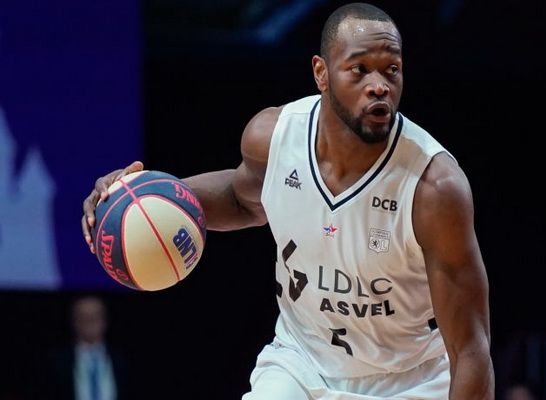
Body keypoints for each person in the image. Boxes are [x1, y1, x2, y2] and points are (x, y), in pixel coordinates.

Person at [81, 2, 493, 398]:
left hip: (406, 380)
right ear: (321, 73)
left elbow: (471, 351)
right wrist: (136, 198)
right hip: (301, 364)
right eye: (359, 69)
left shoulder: (434, 188)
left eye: (392, 70)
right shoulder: (274, 138)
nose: (379, 85)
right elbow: (241, 200)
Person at [42, 295, 129, 400]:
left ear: (105, 320)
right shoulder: (57, 362)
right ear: (74, 321)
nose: (90, 322)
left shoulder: (122, 359)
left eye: (95, 316)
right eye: (83, 316)